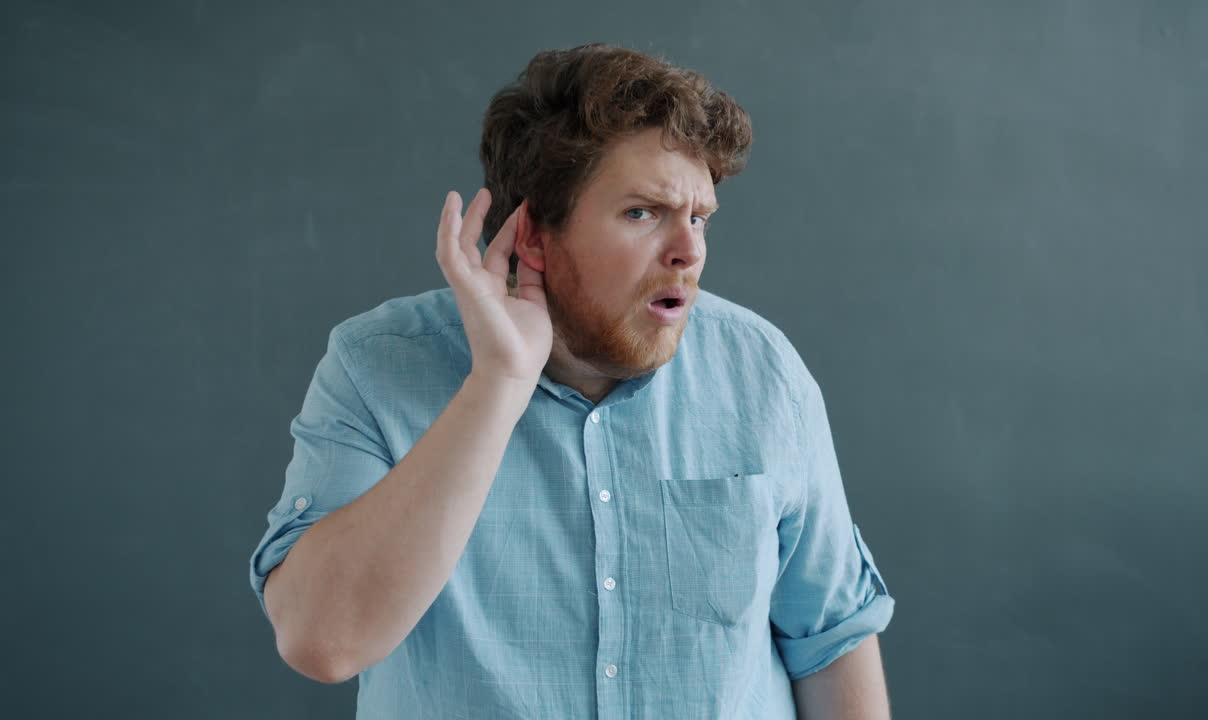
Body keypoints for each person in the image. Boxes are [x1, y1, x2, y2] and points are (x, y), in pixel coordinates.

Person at [249, 42, 895, 719]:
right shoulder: (377, 366)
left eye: (698, 216)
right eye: (643, 212)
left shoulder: (762, 374)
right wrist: (498, 383)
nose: (691, 251)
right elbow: (322, 642)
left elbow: (832, 642)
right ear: (533, 235)